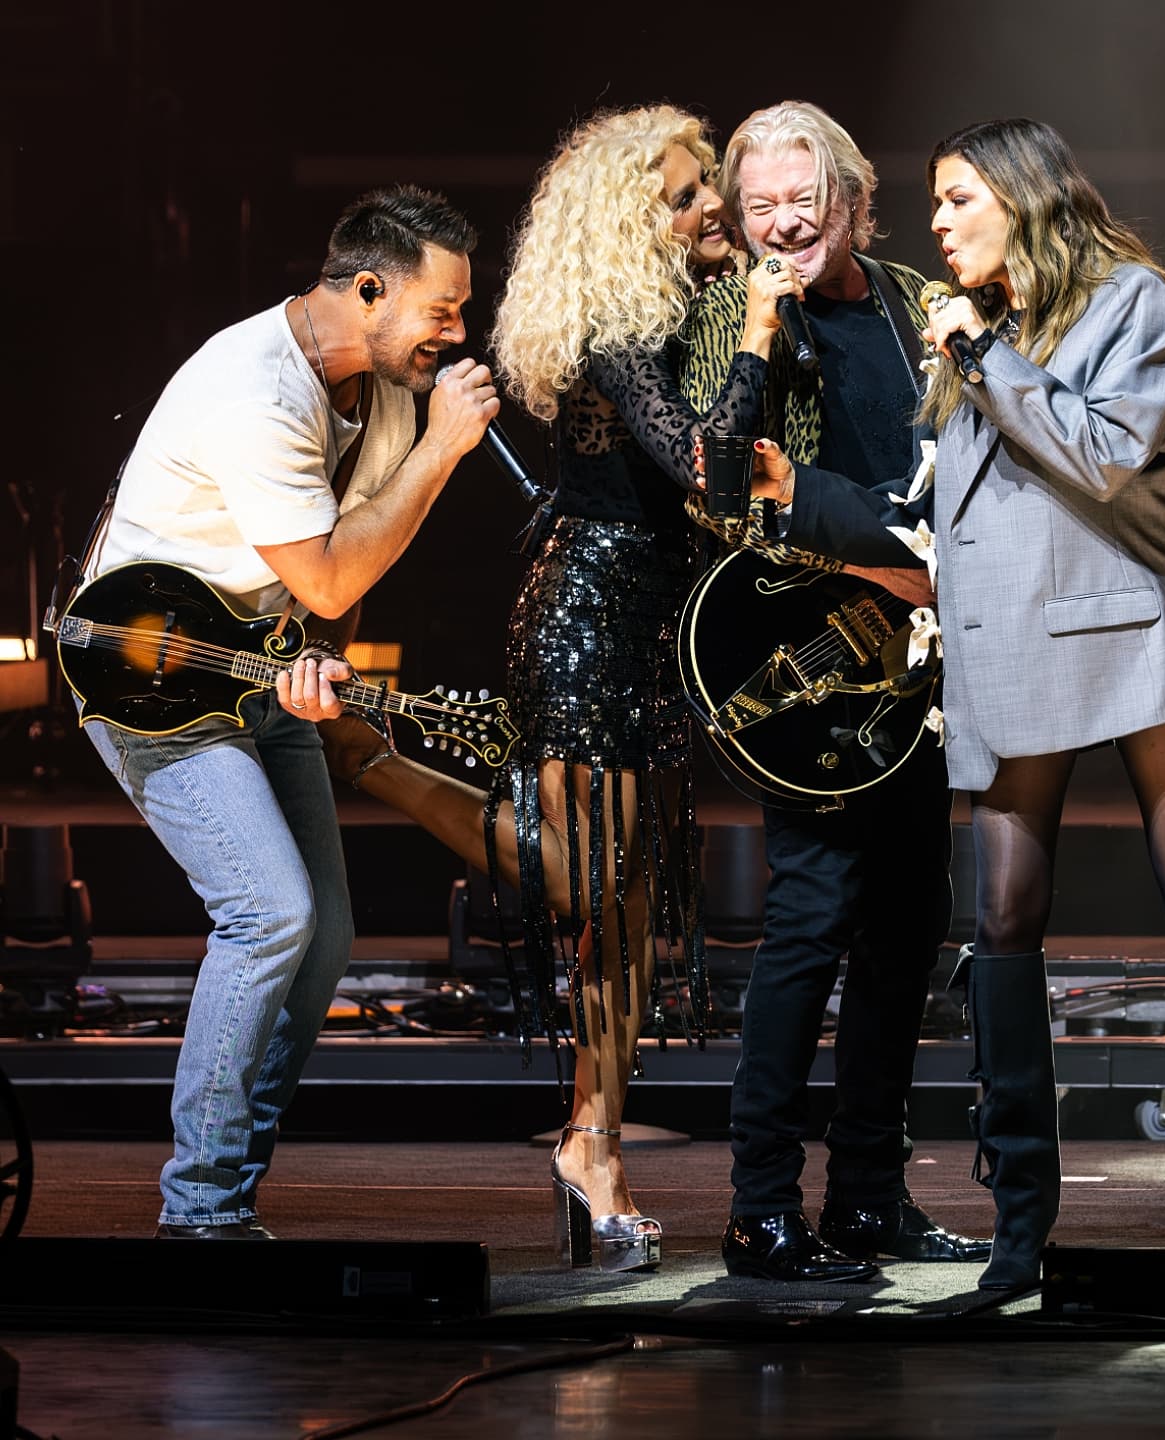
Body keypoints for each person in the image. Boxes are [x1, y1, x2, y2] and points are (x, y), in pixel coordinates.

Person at [749, 117, 1165, 1291]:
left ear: (1022, 195)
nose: (937, 223)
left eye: (958, 198)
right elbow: (950, 505)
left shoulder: (1128, 302)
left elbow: (1104, 454)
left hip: (1130, 625)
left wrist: (980, 354)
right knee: (1001, 919)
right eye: (935, 201)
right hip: (1007, 646)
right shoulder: (982, 329)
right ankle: (1018, 1235)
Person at [319, 105, 797, 1271]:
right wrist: (757, 334)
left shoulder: (682, 313)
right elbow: (706, 467)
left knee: (629, 905)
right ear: (631, 218)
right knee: (582, 874)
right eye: (686, 195)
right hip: (586, 616)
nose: (712, 206)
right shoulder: (618, 331)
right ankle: (377, 764)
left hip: (659, 629)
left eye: (707, 186)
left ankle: (595, 1148)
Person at [76, 185, 498, 1237]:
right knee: (269, 912)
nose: (457, 335)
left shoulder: (379, 386)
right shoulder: (255, 390)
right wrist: (442, 450)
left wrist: (311, 653)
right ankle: (199, 1212)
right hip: (151, 675)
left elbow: (342, 570)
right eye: (442, 311)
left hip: (250, 663)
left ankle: (229, 1191)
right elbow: (330, 571)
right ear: (370, 290)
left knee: (324, 937)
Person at [680, 101, 991, 1283]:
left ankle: (869, 1197)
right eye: (759, 205)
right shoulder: (732, 316)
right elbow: (722, 490)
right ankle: (761, 1207)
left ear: (855, 201)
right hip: (808, 650)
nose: (783, 222)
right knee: (810, 917)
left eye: (803, 200)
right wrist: (882, 566)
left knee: (909, 921)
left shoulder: (919, 302)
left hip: (919, 660)